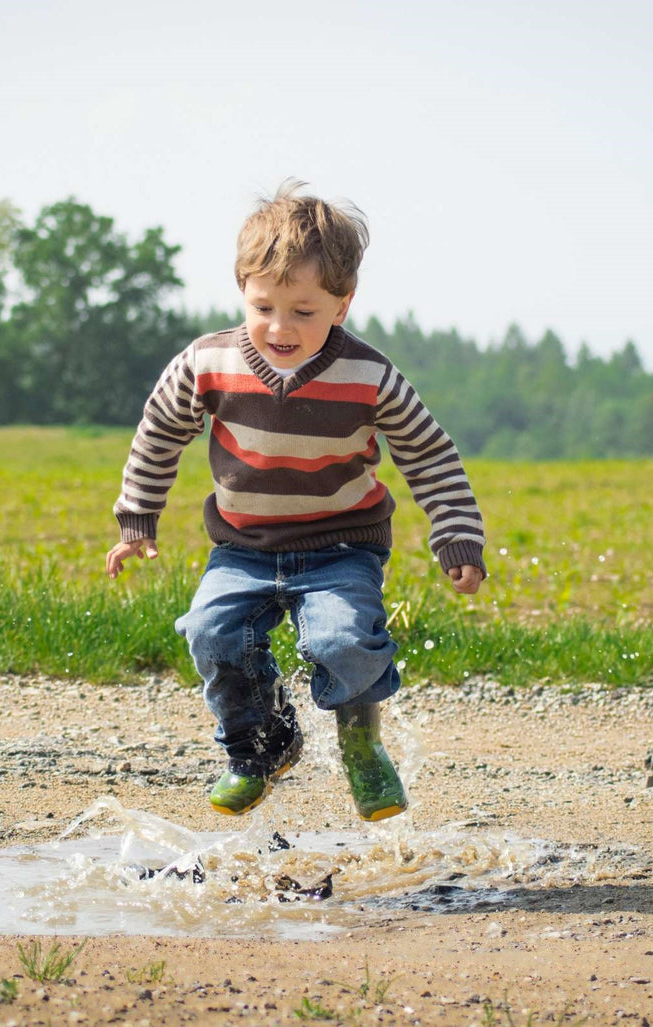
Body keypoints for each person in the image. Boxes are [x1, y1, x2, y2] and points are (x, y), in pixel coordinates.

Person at [106, 181, 485, 821]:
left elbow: (429, 454)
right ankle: (261, 747)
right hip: (242, 548)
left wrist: (456, 537)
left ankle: (362, 742)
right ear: (243, 292)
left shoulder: (371, 377)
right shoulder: (207, 362)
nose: (280, 327)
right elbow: (159, 431)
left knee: (341, 642)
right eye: (264, 307)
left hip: (342, 547)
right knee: (211, 634)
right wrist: (137, 516)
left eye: (303, 311)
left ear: (342, 304)